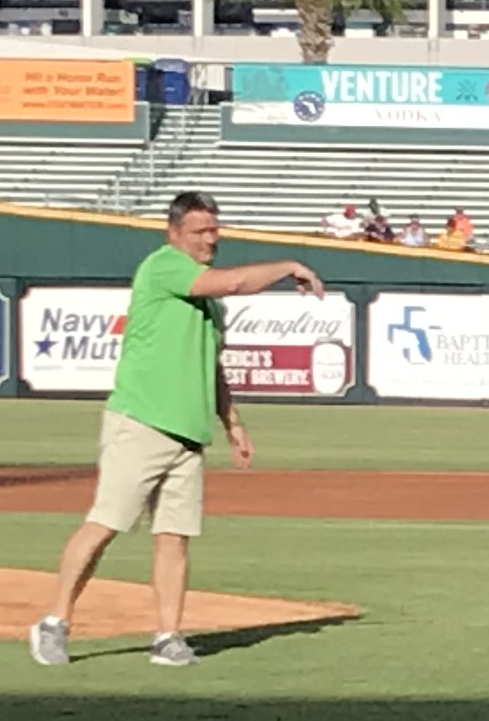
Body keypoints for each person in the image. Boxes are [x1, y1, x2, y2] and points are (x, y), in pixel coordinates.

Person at [29, 191, 323, 668]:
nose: (211, 239)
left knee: (174, 537)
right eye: (200, 231)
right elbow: (235, 283)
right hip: (142, 421)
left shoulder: (209, 305)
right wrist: (290, 264)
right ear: (174, 233)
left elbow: (211, 367)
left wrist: (233, 423)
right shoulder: (164, 266)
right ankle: (54, 622)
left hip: (187, 433)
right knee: (105, 525)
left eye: (214, 230)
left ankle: (168, 636)